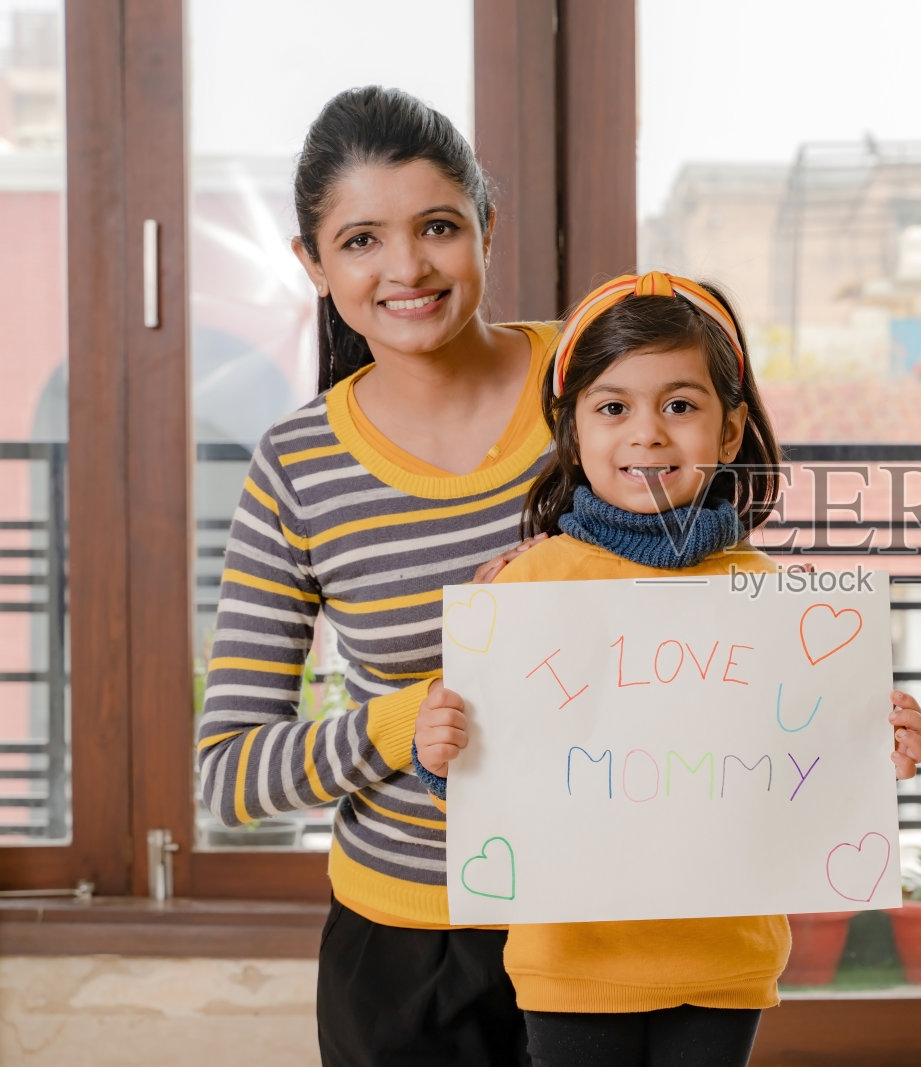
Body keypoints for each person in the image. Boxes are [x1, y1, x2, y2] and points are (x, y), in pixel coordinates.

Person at [413, 272, 921, 1067]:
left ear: (729, 435)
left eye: (680, 405)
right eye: (613, 406)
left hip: (726, 960)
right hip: (569, 961)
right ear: (573, 432)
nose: (647, 433)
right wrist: (439, 750)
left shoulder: (783, 602)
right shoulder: (520, 589)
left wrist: (876, 748)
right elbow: (483, 781)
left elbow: (808, 772)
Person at [195, 85, 557, 1066]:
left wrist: (843, 714)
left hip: (609, 926)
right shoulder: (297, 467)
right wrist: (405, 721)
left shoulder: (598, 388)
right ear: (310, 263)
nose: (406, 267)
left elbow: (722, 609)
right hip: (406, 956)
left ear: (486, 222)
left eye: (438, 225)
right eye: (359, 241)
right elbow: (228, 773)